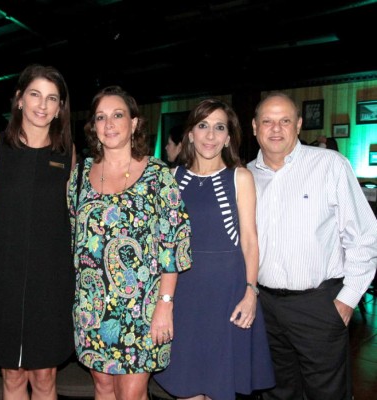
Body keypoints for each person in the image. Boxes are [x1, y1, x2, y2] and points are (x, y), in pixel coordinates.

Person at [248, 92, 377, 400]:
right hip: (264, 306)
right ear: (254, 127)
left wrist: (347, 299)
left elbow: (364, 236)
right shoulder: (246, 175)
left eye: (285, 121)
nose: (276, 129)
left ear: (299, 125)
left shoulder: (329, 165)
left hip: (318, 305)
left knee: (328, 393)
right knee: (276, 391)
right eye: (267, 121)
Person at [67, 85, 192, 399]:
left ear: (134, 123)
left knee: (131, 393)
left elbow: (172, 246)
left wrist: (164, 305)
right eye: (101, 117)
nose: (109, 124)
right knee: (102, 387)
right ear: (93, 126)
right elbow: (75, 239)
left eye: (118, 115)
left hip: (141, 309)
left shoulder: (157, 175)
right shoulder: (79, 176)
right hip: (91, 306)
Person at [154, 99, 275, 399]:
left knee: (219, 387)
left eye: (219, 127)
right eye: (202, 126)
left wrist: (251, 292)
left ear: (228, 137)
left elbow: (249, 239)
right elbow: (162, 245)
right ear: (190, 135)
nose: (210, 135)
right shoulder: (171, 178)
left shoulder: (240, 177)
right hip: (184, 293)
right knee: (187, 387)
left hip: (228, 292)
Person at [0, 64, 75, 400]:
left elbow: (73, 215)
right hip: (3, 278)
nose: (42, 104)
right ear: (20, 99)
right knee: (12, 377)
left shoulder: (66, 153)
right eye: (35, 94)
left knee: (46, 377)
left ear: (59, 107)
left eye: (52, 98)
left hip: (51, 281)